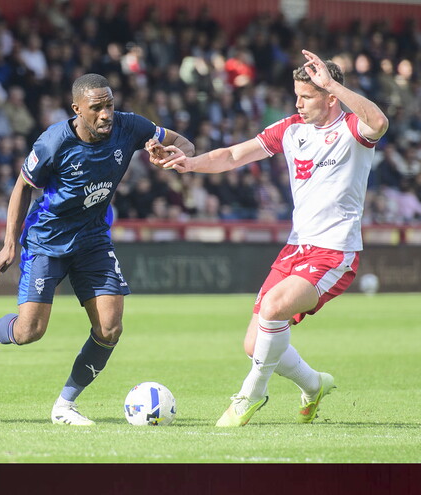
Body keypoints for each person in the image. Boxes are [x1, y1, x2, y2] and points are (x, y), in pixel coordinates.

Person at [150, 49, 389, 427]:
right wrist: (190, 163)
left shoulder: (352, 129)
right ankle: (314, 385)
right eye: (296, 95)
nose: (298, 103)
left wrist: (333, 85)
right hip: (296, 248)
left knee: (274, 308)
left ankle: (251, 394)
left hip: (334, 251)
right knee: (254, 343)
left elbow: (378, 121)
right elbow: (233, 155)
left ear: (330, 96)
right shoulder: (291, 129)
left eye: (307, 96)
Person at [0, 73, 195, 426]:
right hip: (48, 240)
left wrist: (173, 157)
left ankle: (64, 405)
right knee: (29, 331)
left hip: (93, 240)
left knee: (110, 328)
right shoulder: (53, 142)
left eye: (110, 105)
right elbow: (22, 187)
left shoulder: (131, 126)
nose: (106, 114)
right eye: (97, 108)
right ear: (77, 110)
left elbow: (185, 145)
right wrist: (9, 244)